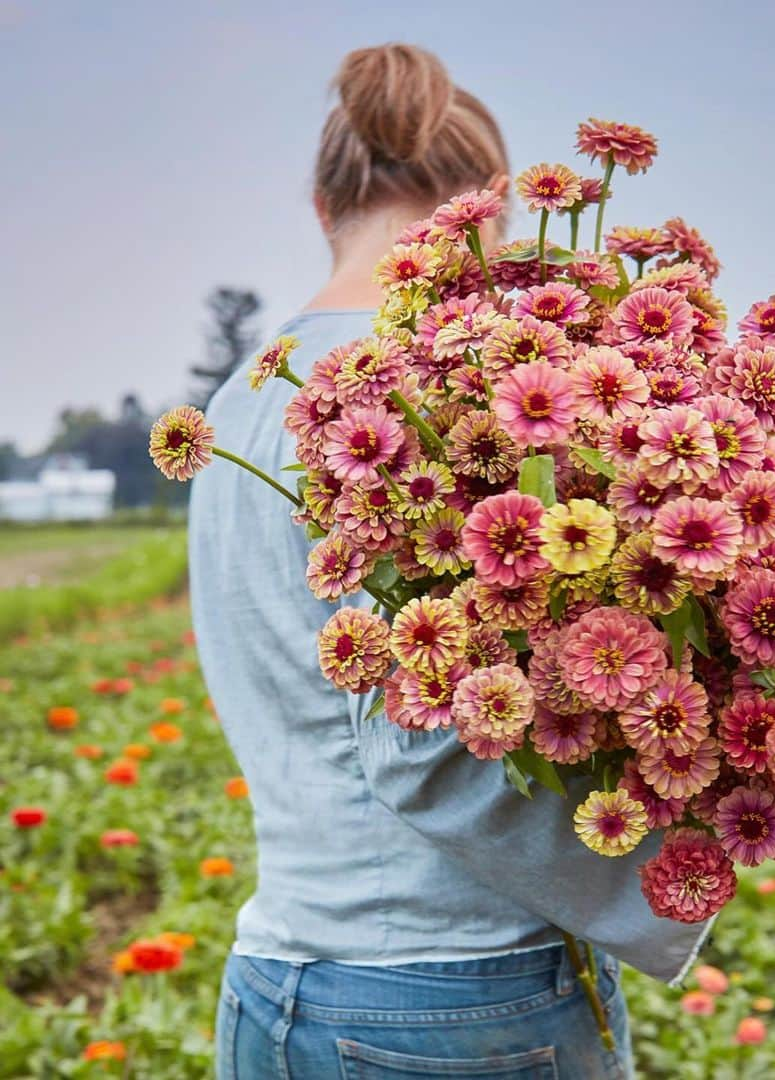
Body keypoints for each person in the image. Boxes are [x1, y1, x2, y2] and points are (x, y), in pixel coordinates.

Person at [190, 43, 710, 1080]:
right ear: (494, 214)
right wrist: (671, 870)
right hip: (457, 995)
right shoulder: (431, 397)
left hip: (280, 975)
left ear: (320, 203)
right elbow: (420, 740)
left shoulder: (239, 404)